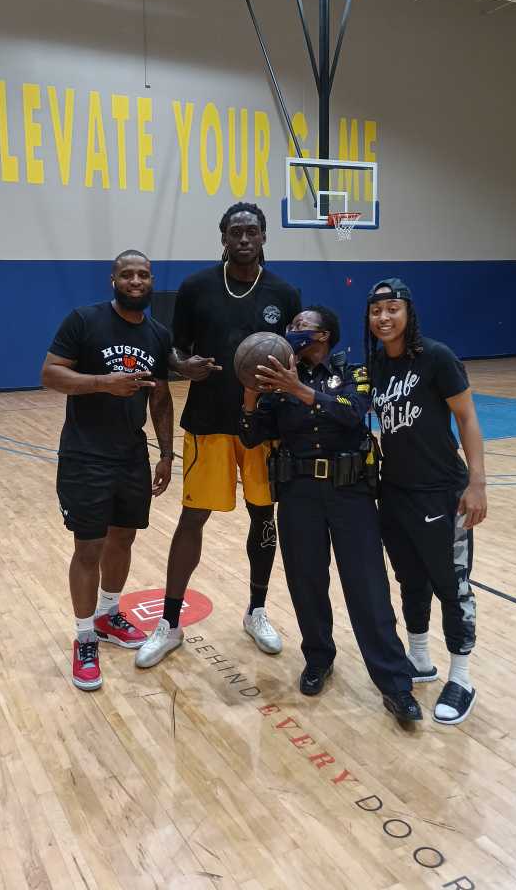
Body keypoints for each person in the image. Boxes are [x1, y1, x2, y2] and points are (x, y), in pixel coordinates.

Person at [236, 306, 422, 721]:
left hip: (350, 493)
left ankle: (395, 683)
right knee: (307, 583)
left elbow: (351, 411)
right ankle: (319, 657)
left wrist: (298, 390)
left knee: (368, 588)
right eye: (291, 325)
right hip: (299, 494)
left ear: (324, 334)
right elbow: (251, 436)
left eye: (302, 325)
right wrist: (251, 392)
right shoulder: (278, 377)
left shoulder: (353, 371)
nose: (293, 331)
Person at [135, 203, 301, 669]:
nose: (244, 239)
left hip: (264, 426)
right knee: (193, 519)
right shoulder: (196, 288)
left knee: (263, 518)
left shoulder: (285, 293)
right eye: (235, 232)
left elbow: (296, 359)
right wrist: (180, 365)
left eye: (252, 231)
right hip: (208, 421)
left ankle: (257, 610)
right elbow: (172, 348)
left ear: (264, 236)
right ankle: (169, 623)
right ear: (223, 237)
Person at [41, 250, 174, 691]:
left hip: (131, 454)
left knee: (124, 537)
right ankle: (84, 639)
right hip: (85, 454)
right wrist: (102, 382)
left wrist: (167, 455)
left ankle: (108, 613)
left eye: (143, 274)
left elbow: (159, 398)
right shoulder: (84, 320)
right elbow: (50, 374)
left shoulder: (157, 333)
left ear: (151, 281)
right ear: (113, 279)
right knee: (89, 548)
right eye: (127, 274)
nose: (136, 280)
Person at [366, 278, 487, 725]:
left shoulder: (436, 357)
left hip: (442, 491)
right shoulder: (378, 364)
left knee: (451, 585)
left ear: (408, 313)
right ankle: (419, 658)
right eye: (376, 311)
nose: (384, 318)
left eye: (392, 309)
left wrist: (477, 484)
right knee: (410, 579)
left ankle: (462, 677)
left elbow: (468, 417)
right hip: (395, 492)